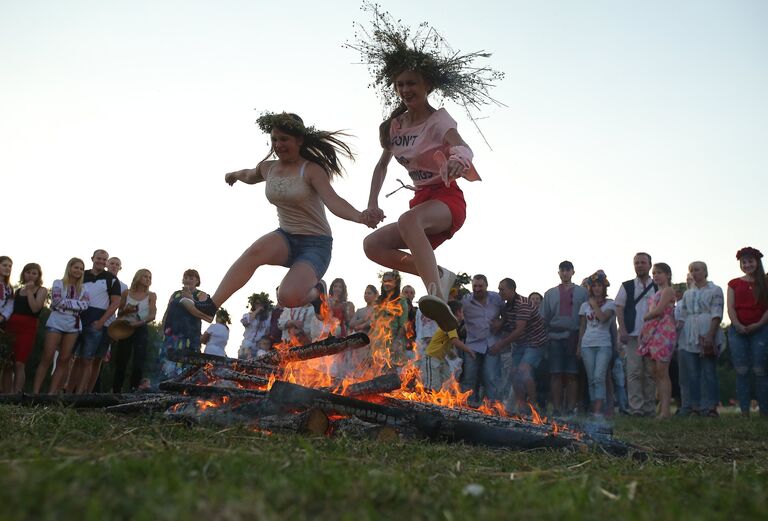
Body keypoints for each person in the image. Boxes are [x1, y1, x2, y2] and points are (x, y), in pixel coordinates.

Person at [348, 5, 502, 332]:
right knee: (372, 246)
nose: (406, 90)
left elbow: (462, 144)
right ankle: (438, 275)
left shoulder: (438, 120)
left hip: (446, 200)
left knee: (407, 221)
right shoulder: (396, 126)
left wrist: (459, 160)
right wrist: (372, 202)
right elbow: (381, 166)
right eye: (400, 85)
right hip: (420, 203)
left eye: (412, 84)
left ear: (426, 84)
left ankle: (435, 295)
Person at [182, 112, 377, 322]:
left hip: (315, 245)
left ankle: (315, 294)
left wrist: (360, 216)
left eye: (284, 139)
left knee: (286, 297)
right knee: (254, 251)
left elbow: (333, 201)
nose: (278, 145)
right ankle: (210, 307)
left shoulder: (311, 170)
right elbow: (249, 175)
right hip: (285, 236)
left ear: (299, 140)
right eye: (274, 139)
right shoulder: (269, 168)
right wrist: (234, 175)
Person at [491, 278, 549, 414]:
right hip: (521, 344)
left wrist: (499, 345)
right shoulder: (507, 306)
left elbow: (518, 331)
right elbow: (505, 322)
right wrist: (499, 324)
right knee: (513, 373)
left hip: (535, 342)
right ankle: (522, 406)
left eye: (502, 289)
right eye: (499, 289)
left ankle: (534, 406)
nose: (500, 292)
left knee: (524, 370)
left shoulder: (522, 304)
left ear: (512, 289)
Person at [32, 258, 89, 394]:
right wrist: (75, 305)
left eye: (81, 268)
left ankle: (51, 394)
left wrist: (67, 304)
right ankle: (35, 392)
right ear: (69, 268)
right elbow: (56, 301)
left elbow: (85, 305)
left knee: (64, 359)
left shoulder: (83, 288)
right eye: (76, 267)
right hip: (56, 322)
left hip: (73, 325)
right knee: (47, 356)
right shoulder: (58, 283)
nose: (79, 271)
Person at [540, 260, 589, 416]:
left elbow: (587, 317)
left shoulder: (583, 293)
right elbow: (543, 319)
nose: (565, 273)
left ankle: (570, 408)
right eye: (562, 270)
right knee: (555, 373)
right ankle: (556, 408)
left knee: (572, 374)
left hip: (574, 336)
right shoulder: (550, 293)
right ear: (558, 272)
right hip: (554, 337)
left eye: (568, 270)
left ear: (573, 272)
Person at [70, 249, 121, 394]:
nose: (101, 261)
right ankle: (68, 393)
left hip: (96, 323)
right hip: (76, 320)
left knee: (88, 360)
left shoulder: (111, 279)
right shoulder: (82, 274)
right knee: (73, 359)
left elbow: (116, 302)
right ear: (92, 258)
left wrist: (101, 321)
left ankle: (81, 395)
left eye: (104, 259)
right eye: (99, 258)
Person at [677, 261, 723, 417]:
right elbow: (682, 316)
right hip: (689, 334)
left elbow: (717, 313)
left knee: (709, 371)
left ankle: (711, 407)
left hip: (706, 329)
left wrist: (710, 335)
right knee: (692, 373)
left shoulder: (715, 290)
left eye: (697, 270)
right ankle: (694, 407)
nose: (694, 273)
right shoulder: (687, 293)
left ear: (705, 271)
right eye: (691, 270)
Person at [615, 252, 658, 417]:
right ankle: (636, 409)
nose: (639, 265)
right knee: (633, 372)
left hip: (652, 337)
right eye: (637, 263)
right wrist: (623, 329)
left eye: (642, 262)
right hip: (633, 336)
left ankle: (649, 408)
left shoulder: (657, 286)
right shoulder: (627, 286)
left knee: (650, 373)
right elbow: (619, 307)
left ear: (649, 265)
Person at [727, 246, 768, 417]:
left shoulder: (765, 282)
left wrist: (758, 324)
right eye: (744, 262)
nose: (747, 265)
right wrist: (737, 324)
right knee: (742, 370)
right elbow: (730, 307)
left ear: (757, 262)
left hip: (760, 329)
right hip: (738, 330)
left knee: (760, 369)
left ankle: (764, 411)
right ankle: (744, 412)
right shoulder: (734, 283)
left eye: (750, 261)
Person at [638, 263, 677, 419]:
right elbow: (651, 313)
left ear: (667, 275)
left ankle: (666, 411)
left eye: (659, 272)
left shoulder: (668, 291)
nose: (656, 275)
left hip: (664, 331)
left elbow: (659, 311)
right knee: (654, 371)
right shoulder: (654, 294)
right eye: (654, 273)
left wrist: (646, 316)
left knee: (662, 371)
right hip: (652, 332)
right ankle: (661, 405)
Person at [577, 272, 616, 417]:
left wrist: (593, 304)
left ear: (604, 287)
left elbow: (603, 318)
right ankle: (595, 407)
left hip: (604, 344)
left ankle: (599, 409)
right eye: (594, 286)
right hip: (587, 344)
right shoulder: (584, 306)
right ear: (590, 288)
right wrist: (578, 347)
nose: (597, 288)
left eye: (600, 285)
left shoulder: (611, 303)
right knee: (591, 377)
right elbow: (582, 327)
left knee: (599, 376)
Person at [460, 275, 504, 405]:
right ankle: (467, 406)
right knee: (469, 377)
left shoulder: (496, 298)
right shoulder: (466, 301)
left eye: (480, 286)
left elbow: (506, 313)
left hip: (492, 343)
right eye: (475, 286)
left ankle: (492, 408)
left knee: (490, 377)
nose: (477, 289)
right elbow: (455, 313)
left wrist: (501, 322)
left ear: (486, 286)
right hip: (472, 344)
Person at [112, 269, 157, 393]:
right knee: (121, 360)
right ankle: (116, 390)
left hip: (140, 328)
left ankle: (133, 391)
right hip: (125, 327)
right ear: (138, 277)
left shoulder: (151, 295)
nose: (148, 279)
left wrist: (138, 323)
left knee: (138, 362)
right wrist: (125, 312)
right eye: (145, 276)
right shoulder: (126, 293)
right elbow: (119, 312)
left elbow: (152, 315)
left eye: (150, 277)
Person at [5, 263, 47, 393]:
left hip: (28, 328)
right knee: (8, 363)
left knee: (19, 362)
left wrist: (29, 291)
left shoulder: (42, 290)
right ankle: (6, 394)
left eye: (34, 273)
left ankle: (17, 393)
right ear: (23, 273)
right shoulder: (17, 291)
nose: (30, 275)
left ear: (38, 276)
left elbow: (35, 308)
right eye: (28, 272)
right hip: (11, 326)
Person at [423, 301, 475, 390]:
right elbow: (454, 341)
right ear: (458, 312)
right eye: (463, 311)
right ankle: (427, 402)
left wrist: (451, 354)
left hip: (440, 359)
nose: (464, 314)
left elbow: (445, 342)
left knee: (446, 381)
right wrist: (469, 350)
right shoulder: (450, 324)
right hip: (431, 358)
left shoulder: (451, 325)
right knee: (432, 386)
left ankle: (442, 400)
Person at [369, 271, 409, 368]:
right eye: (384, 281)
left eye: (390, 281)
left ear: (396, 283)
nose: (386, 283)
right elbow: (373, 324)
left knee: (393, 373)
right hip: (378, 342)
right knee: (376, 373)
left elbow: (403, 325)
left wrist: (396, 342)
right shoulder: (378, 301)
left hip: (393, 341)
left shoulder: (401, 300)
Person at [238, 292, 273, 359]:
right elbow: (246, 322)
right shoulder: (247, 315)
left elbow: (267, 331)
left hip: (259, 346)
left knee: (261, 356)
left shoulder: (268, 318)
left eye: (261, 304)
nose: (259, 305)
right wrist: (257, 310)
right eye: (257, 303)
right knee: (245, 359)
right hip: (247, 344)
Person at [0, 256, 14, 392]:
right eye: (4, 265)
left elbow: (10, 305)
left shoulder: (8, 287)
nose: (8, 268)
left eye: (10, 266)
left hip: (2, 324)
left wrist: (3, 317)